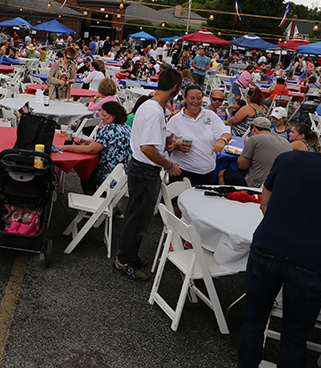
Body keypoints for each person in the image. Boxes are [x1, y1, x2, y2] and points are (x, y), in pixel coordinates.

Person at [236, 135, 321, 367]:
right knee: (294, 339)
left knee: (253, 322)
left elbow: (264, 203)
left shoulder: (289, 158)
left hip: (268, 245)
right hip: (310, 258)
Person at [114, 68, 182, 282]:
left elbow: (149, 142)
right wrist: (169, 164)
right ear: (175, 89)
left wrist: (164, 143)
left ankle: (129, 255)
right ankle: (124, 260)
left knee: (137, 217)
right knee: (138, 220)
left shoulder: (149, 105)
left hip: (139, 168)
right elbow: (146, 148)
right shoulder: (155, 111)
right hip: (145, 171)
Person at [57, 101, 131, 194]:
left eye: (104, 116)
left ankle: (91, 197)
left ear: (114, 116)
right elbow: (108, 141)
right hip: (124, 176)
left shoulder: (110, 128)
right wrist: (88, 141)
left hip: (109, 176)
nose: (101, 118)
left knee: (86, 172)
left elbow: (91, 150)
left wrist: (65, 147)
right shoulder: (125, 127)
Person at [166, 84, 232, 186]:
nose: (196, 102)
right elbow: (165, 144)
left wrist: (222, 140)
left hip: (208, 173)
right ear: (185, 98)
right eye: (192, 98)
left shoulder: (210, 115)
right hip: (183, 172)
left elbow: (227, 133)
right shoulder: (176, 120)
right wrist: (176, 146)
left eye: (199, 98)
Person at [218, 117, 292, 187]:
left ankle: (224, 197)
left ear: (254, 129)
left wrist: (247, 147)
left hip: (257, 183)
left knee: (222, 174)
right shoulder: (286, 142)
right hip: (279, 183)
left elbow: (242, 166)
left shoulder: (254, 139)